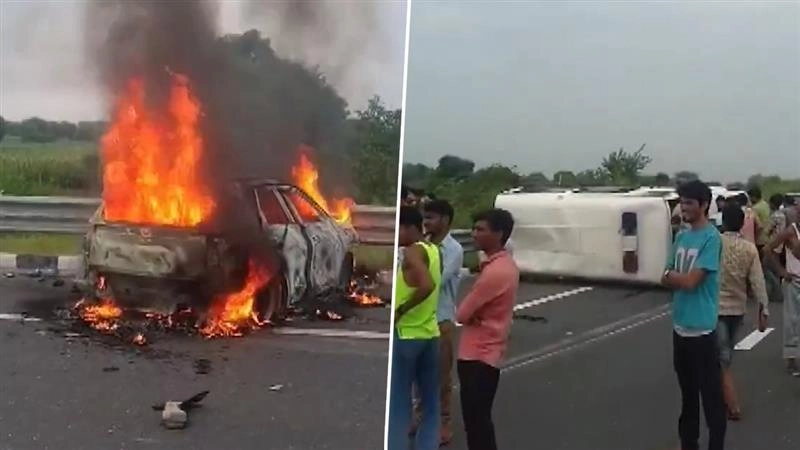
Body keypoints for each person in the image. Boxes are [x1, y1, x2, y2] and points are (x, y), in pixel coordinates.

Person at [661, 180, 726, 450]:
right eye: (681, 202)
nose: (683, 208)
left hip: (702, 332)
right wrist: (674, 276)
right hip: (680, 328)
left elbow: (690, 282)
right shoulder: (681, 237)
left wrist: (673, 276)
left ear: (704, 205)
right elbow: (664, 276)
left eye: (688, 203)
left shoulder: (711, 238)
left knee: (711, 398)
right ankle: (689, 444)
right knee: (687, 396)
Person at [455, 208, 519, 450]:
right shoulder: (506, 265)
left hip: (478, 355)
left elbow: (462, 313)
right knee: (479, 420)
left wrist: (474, 316)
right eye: (474, 228)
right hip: (490, 351)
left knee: (476, 422)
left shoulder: (495, 272)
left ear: (499, 234)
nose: (474, 234)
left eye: (481, 229)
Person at [388, 206, 442, 450]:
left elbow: (427, 285)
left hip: (407, 334)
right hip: (430, 333)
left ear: (410, 227)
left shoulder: (412, 253)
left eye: (398, 229)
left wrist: (401, 309)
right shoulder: (434, 250)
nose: (396, 235)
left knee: (399, 405)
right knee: (430, 403)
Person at [412, 199, 464, 446]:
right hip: (419, 320)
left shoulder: (453, 250)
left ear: (445, 220)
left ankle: (444, 423)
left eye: (431, 218)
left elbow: (435, 281)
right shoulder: (422, 245)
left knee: (441, 377)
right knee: (418, 374)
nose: (426, 223)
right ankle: (420, 417)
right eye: (425, 218)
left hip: (441, 320)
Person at [717, 204, 769, 421]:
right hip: (737, 308)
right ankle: (724, 396)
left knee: (722, 357)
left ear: (722, 222)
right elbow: (757, 281)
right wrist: (763, 308)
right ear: (741, 224)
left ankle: (732, 403)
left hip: (715, 307)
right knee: (726, 352)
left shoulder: (715, 243)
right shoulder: (749, 249)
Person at [764, 215, 800, 377]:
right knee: (792, 320)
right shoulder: (791, 231)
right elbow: (768, 249)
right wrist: (781, 271)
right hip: (794, 281)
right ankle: (791, 359)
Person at [748, 186, 771, 254]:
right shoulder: (765, 204)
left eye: (750, 197)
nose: (750, 199)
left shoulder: (755, 208)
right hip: (767, 237)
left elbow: (758, 226)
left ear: (754, 197)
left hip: (759, 239)